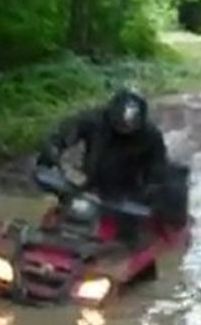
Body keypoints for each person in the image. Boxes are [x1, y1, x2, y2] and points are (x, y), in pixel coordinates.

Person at [36, 88, 187, 242]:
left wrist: (152, 192)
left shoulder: (151, 136)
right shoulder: (93, 120)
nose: (122, 133)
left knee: (127, 236)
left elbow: (158, 168)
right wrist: (54, 149)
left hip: (129, 195)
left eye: (127, 130)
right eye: (119, 127)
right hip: (91, 183)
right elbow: (66, 132)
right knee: (63, 212)